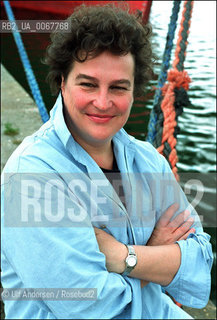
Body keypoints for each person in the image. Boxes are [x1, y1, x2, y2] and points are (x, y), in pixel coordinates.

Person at [1, 4, 213, 319]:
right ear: (62, 83)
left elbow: (199, 261)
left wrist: (121, 256)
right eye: (88, 84)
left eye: (118, 87)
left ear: (134, 91)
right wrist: (155, 254)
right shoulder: (31, 176)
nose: (103, 102)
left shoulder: (146, 160)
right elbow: (92, 307)